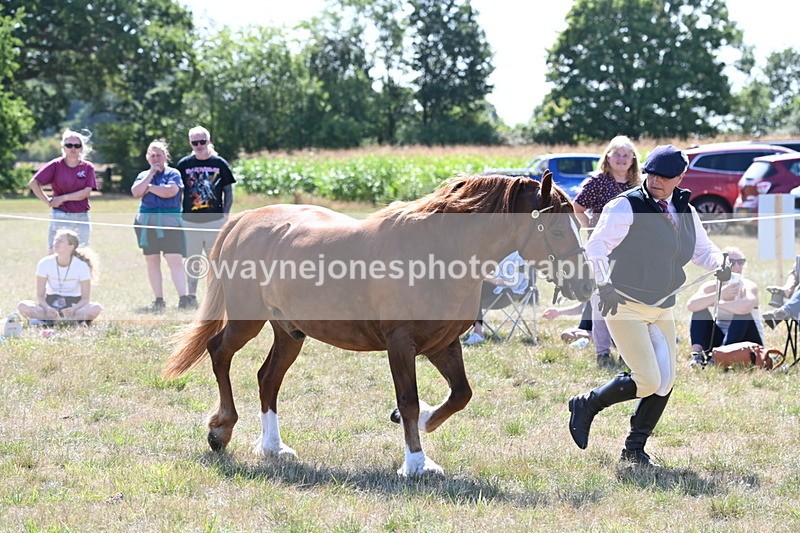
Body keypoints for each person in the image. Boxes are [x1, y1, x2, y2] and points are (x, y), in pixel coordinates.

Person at [568, 145, 728, 467]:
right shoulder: (625, 205)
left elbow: (703, 251)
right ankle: (587, 403)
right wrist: (604, 285)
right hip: (623, 304)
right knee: (648, 380)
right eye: (652, 174)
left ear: (680, 177)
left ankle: (634, 449)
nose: (656, 181)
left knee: (665, 382)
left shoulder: (686, 211)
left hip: (661, 307)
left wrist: (720, 262)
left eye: (665, 177)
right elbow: (596, 247)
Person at [573, 135, 641, 368]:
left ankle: (625, 350)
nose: (621, 159)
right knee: (602, 300)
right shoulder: (598, 182)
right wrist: (590, 228)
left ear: (633, 159)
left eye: (626, 155)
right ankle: (602, 351)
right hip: (602, 249)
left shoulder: (638, 185)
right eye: (617, 154)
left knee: (628, 301)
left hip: (631, 250)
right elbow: (577, 208)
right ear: (608, 157)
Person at [176, 126, 236, 308]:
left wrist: (225, 215)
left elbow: (228, 191)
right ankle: (191, 296)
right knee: (192, 260)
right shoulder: (184, 164)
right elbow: (178, 192)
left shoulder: (220, 163)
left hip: (214, 221)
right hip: (190, 221)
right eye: (195, 143)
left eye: (202, 141)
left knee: (215, 260)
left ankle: (215, 296)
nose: (199, 145)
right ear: (190, 144)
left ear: (209, 141)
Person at [131, 140, 190, 311]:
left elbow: (170, 191)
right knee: (152, 260)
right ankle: (158, 299)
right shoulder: (143, 174)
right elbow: (136, 192)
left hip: (170, 223)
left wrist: (149, 188)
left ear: (165, 156)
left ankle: (183, 298)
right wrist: (150, 175)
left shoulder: (173, 173)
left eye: (159, 155)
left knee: (174, 259)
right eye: (152, 155)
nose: (156, 158)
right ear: (147, 157)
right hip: (147, 224)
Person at [686, 247, 763, 365]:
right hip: (720, 340)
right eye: (731, 262)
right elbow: (691, 305)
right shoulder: (711, 287)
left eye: (741, 262)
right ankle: (697, 356)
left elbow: (744, 308)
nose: (736, 266)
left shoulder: (748, 286)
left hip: (748, 342)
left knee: (742, 314)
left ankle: (720, 356)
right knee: (700, 312)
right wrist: (721, 294)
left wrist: (717, 302)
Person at [28, 129, 98, 252]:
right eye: (69, 145)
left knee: (82, 252)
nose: (73, 148)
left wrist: (62, 198)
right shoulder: (55, 165)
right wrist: (48, 201)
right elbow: (33, 183)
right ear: (63, 147)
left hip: (82, 216)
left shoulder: (88, 167)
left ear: (81, 148)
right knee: (57, 252)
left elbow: (86, 192)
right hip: (61, 214)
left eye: (77, 145)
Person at [17, 229, 103, 326]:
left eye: (60, 241)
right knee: (23, 305)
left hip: (74, 307)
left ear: (71, 247)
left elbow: (85, 298)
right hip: (50, 305)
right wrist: (47, 308)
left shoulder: (82, 266)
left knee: (96, 308)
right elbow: (40, 296)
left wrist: (73, 309)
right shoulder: (44, 263)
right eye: (55, 240)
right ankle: (71, 321)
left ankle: (58, 321)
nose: (56, 243)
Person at [464, 251, 528, 345]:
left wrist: (489, 279)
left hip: (507, 294)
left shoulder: (518, 257)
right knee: (471, 287)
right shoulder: (498, 251)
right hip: (494, 291)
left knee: (475, 288)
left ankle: (478, 332)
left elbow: (515, 282)